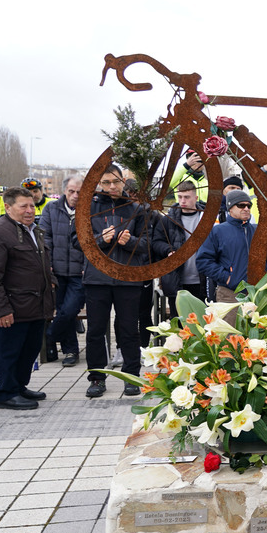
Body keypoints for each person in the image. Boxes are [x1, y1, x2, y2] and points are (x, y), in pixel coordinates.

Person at [76, 165, 151, 398]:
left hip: (128, 278)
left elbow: (148, 245)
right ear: (99, 183)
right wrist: (101, 239)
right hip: (97, 279)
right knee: (96, 330)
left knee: (129, 329)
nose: (112, 187)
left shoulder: (137, 208)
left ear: (124, 180)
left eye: (116, 182)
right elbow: (75, 242)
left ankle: (130, 377)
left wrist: (130, 242)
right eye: (107, 182)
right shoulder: (86, 208)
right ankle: (97, 378)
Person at [0, 187, 56, 409]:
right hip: (13, 308)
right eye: (23, 206)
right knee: (8, 351)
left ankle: (18, 387)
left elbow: (40, 264)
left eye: (32, 206)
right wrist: (1, 310)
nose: (30, 210)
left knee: (29, 350)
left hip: (36, 305)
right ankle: (6, 393)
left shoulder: (34, 230)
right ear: (8, 207)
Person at [196, 189, 267, 321]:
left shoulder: (258, 230)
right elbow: (203, 261)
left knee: (258, 340)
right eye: (241, 205)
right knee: (231, 339)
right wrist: (228, 278)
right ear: (230, 208)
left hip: (259, 295)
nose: (246, 208)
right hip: (230, 294)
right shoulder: (217, 231)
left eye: (249, 205)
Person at [41, 175, 85, 366]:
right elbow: (45, 238)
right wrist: (47, 264)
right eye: (71, 191)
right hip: (57, 272)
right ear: (65, 191)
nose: (75, 195)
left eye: (79, 192)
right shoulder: (51, 208)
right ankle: (70, 352)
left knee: (68, 311)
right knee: (61, 311)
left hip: (79, 273)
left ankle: (49, 336)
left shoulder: (89, 211)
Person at [151, 180, 208, 316]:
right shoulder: (168, 220)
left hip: (202, 281)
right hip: (176, 280)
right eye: (180, 197)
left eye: (187, 197)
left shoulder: (206, 218)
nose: (183, 201)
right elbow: (156, 242)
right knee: (179, 325)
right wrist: (168, 250)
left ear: (196, 198)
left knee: (203, 324)